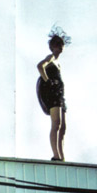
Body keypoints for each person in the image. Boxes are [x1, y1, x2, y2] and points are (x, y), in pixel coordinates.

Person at [36, 26, 71, 161]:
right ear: (53, 46)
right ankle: (56, 155)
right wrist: (48, 81)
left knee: (63, 127)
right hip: (53, 94)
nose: (60, 46)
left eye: (61, 44)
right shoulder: (50, 58)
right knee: (56, 124)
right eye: (57, 44)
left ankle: (61, 156)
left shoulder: (58, 63)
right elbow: (40, 66)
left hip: (60, 95)